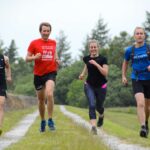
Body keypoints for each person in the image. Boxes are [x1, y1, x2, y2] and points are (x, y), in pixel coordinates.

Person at [26, 22, 60, 132]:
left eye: (48, 31)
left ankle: (50, 120)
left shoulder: (53, 42)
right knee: (41, 100)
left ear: (50, 31)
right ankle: (43, 121)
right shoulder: (34, 43)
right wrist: (35, 57)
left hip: (50, 73)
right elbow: (26, 58)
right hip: (38, 75)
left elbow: (55, 55)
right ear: (40, 31)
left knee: (49, 94)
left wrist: (57, 60)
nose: (46, 33)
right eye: (44, 30)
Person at [122, 27, 150, 138]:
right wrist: (124, 76)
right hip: (137, 78)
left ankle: (146, 123)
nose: (139, 35)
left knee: (148, 108)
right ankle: (142, 127)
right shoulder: (129, 50)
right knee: (140, 103)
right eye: (137, 33)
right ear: (134, 36)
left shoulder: (148, 48)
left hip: (149, 79)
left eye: (141, 33)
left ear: (144, 36)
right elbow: (125, 63)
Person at [79, 39, 108, 135]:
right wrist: (83, 74)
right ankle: (93, 127)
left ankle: (101, 115)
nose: (93, 49)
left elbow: (105, 73)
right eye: (91, 47)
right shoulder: (86, 58)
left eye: (95, 47)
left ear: (98, 48)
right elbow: (87, 65)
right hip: (89, 85)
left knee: (99, 106)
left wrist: (96, 64)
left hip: (101, 86)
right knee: (91, 104)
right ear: (89, 48)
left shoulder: (103, 59)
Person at [0, 54, 11, 135]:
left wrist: (8, 76)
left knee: (1, 105)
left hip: (1, 84)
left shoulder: (4, 58)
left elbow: (8, 67)